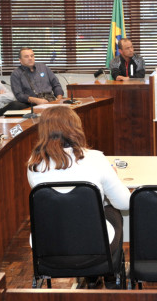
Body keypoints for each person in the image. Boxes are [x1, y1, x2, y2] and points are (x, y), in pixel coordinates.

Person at [26, 105, 131, 254]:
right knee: (112, 210)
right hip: (94, 246)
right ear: (76, 128)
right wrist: (112, 176)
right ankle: (111, 267)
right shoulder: (95, 158)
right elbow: (124, 203)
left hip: (48, 246)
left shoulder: (34, 164)